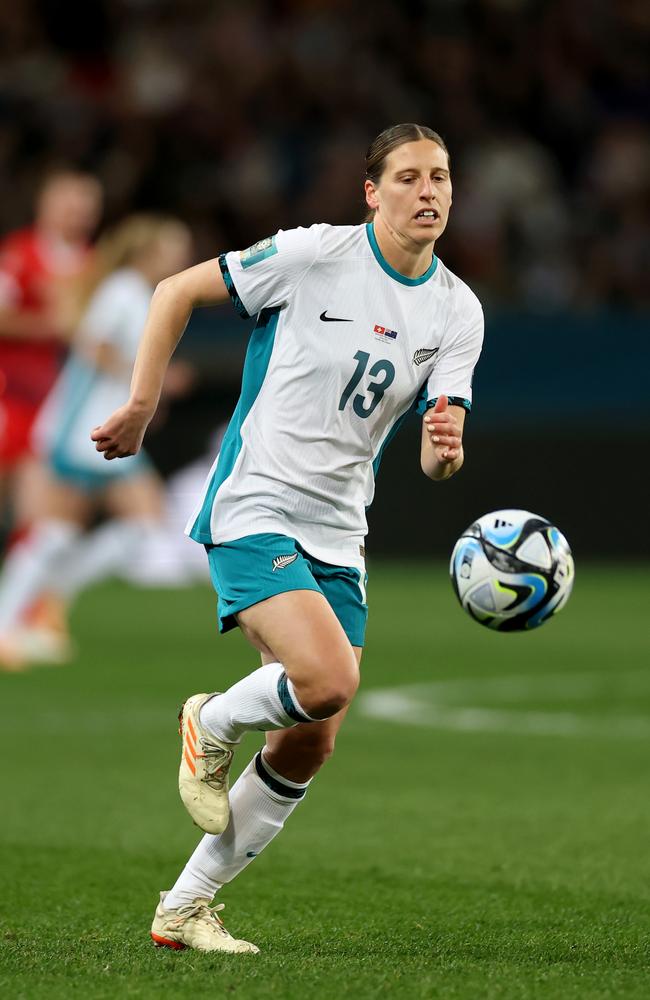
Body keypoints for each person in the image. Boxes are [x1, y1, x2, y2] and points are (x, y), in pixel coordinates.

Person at [92, 123, 484, 955]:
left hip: (342, 528)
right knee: (327, 676)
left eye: (441, 177)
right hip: (256, 502)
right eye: (409, 177)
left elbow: (433, 456)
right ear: (371, 192)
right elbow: (171, 292)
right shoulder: (313, 256)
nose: (429, 192)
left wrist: (443, 452)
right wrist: (142, 404)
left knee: (312, 735)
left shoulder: (458, 310)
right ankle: (211, 720)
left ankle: (184, 906)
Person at [0, 215, 192, 670]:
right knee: (123, 524)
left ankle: (39, 605)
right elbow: (96, 347)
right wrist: (147, 389)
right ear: (149, 252)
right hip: (83, 427)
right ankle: (27, 612)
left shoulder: (135, 292)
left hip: (98, 427)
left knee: (64, 532)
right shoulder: (124, 291)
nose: (182, 257)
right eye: (174, 248)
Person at [0, 170, 103, 537]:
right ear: (45, 205)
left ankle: (30, 591)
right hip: (11, 394)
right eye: (69, 204)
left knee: (46, 515)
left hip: (62, 402)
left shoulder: (96, 265)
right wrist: (53, 324)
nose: (77, 213)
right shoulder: (20, 253)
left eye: (85, 206)